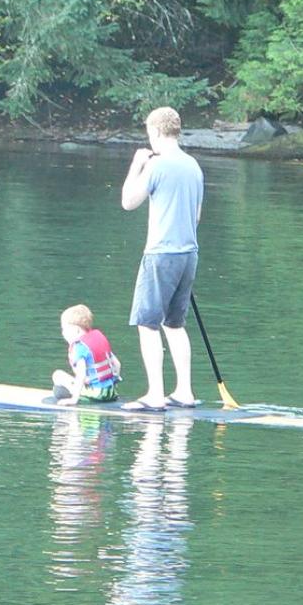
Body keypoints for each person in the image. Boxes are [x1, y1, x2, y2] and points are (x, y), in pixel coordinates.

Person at [120, 106, 203, 412]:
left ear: (155, 132)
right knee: (175, 324)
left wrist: (137, 166)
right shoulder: (194, 166)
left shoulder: (156, 166)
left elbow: (128, 202)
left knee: (147, 324)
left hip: (160, 254)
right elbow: (196, 216)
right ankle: (184, 392)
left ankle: (155, 395)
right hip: (188, 254)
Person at [52, 304, 121, 406]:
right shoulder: (98, 338)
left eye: (64, 329)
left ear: (77, 330)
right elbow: (117, 364)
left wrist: (73, 400)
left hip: (97, 395)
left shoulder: (79, 347)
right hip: (111, 393)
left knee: (57, 376)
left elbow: (81, 375)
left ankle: (77, 397)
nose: (63, 333)